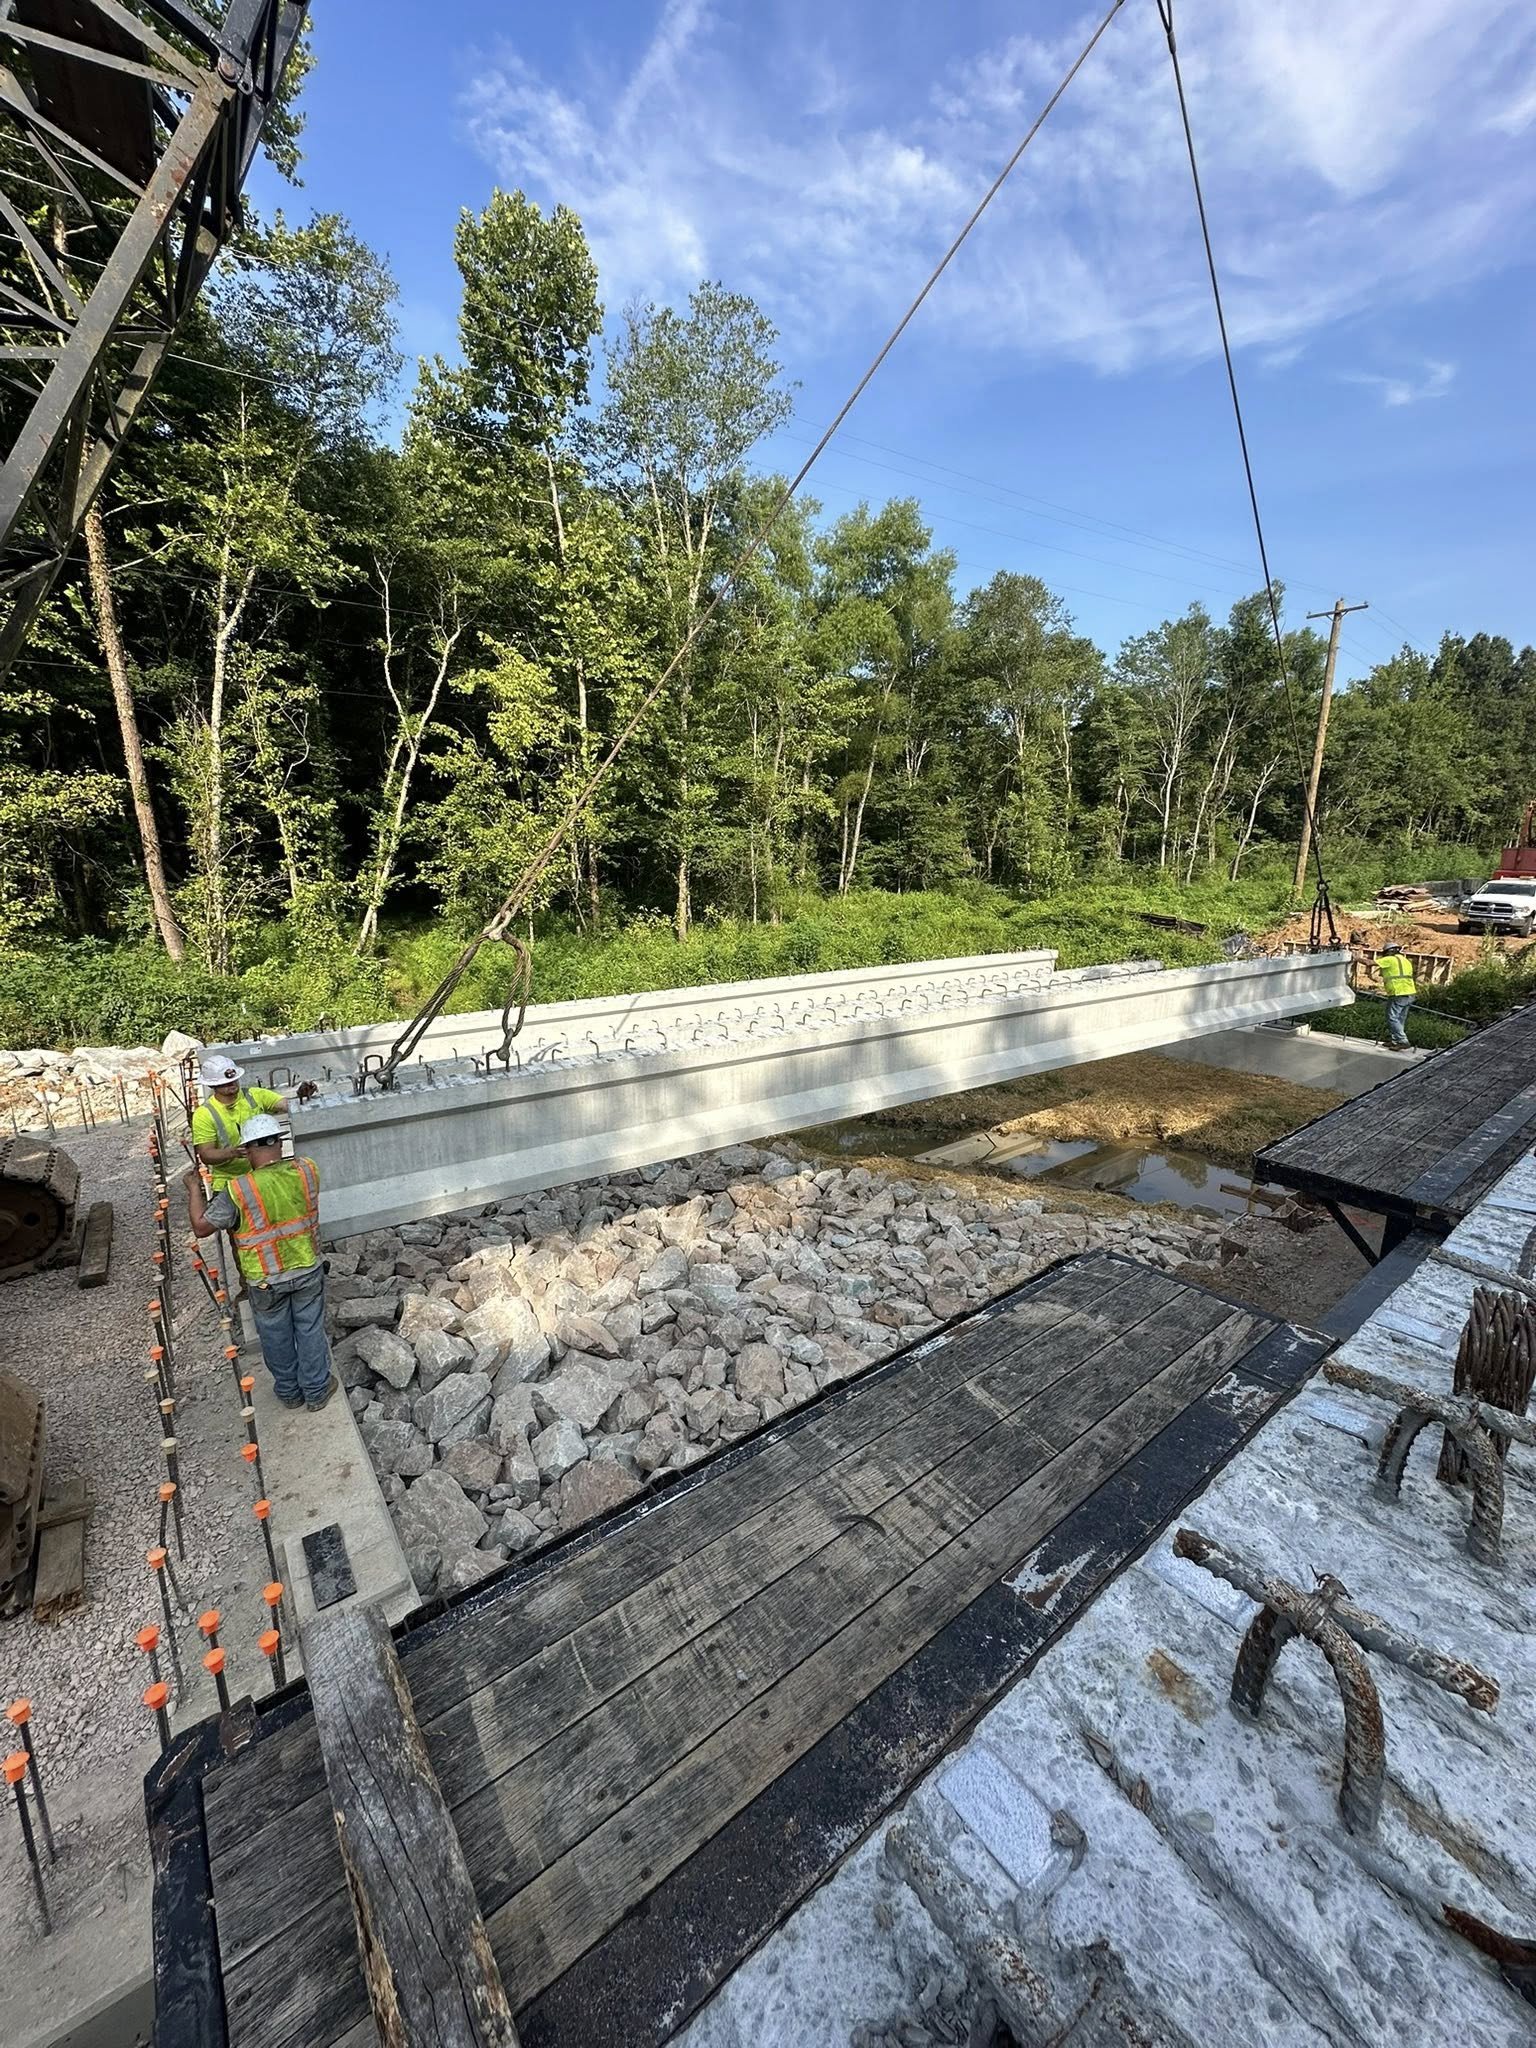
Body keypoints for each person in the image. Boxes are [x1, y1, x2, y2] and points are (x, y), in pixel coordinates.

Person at [185, 1115, 336, 1411]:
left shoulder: (239, 1190)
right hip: (307, 1268)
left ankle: (290, 1393)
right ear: (279, 1143)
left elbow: (202, 1227)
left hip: (265, 1279)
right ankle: (317, 1391)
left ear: (247, 1149)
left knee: (275, 1335)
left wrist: (193, 1188)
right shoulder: (307, 1170)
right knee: (309, 1329)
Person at [190, 1057, 289, 1193]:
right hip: (230, 1181)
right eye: (225, 1083)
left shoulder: (255, 1095)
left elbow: (286, 1105)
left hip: (264, 1175)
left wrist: (301, 1097)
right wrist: (233, 1152)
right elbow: (206, 1155)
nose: (231, 1084)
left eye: (233, 1080)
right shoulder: (204, 1114)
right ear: (212, 1085)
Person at [1376, 942, 1418, 1049]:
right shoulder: (1406, 960)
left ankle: (1402, 1040)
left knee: (1392, 1017)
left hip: (1398, 992)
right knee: (1400, 1018)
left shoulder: (1390, 959)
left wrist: (1356, 958)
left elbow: (1369, 963)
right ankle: (1395, 1040)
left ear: (1389, 952)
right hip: (1410, 992)